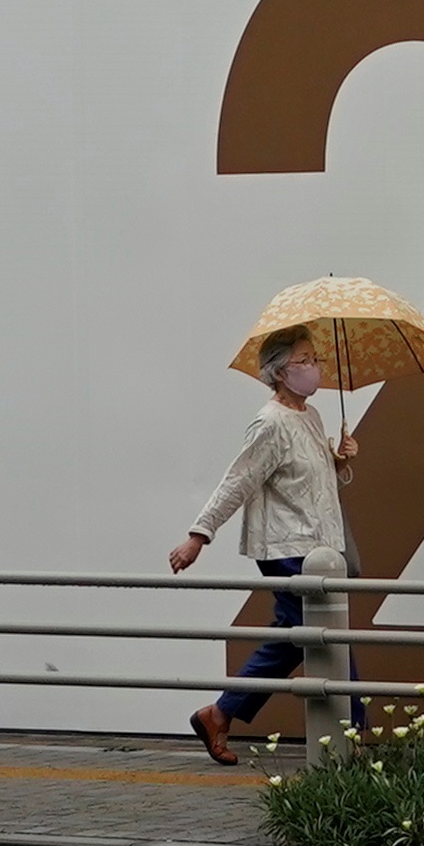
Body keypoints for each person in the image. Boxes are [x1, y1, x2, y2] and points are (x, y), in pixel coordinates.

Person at [170, 323, 354, 766]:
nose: (314, 369)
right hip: (286, 549)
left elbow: (310, 481)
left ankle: (219, 712)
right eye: (304, 361)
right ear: (277, 372)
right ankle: (352, 737)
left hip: (319, 549)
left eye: (316, 360)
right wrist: (200, 535)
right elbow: (238, 481)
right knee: (325, 639)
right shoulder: (269, 423)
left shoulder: (309, 416)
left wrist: (338, 460)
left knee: (298, 638)